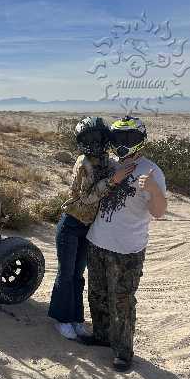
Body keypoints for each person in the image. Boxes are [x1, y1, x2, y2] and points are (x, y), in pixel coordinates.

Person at [81, 116, 167, 372]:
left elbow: (159, 212)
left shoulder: (151, 171)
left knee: (122, 301)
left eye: (129, 138)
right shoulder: (110, 165)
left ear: (140, 140)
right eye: (119, 137)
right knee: (97, 294)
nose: (123, 143)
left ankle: (122, 351)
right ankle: (101, 335)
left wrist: (152, 188)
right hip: (97, 241)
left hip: (127, 249)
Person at [48, 117, 136, 340]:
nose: (95, 143)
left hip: (88, 228)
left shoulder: (106, 160)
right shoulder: (83, 163)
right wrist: (112, 181)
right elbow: (87, 198)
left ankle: (76, 319)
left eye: (98, 137)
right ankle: (62, 319)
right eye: (89, 139)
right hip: (71, 223)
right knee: (66, 274)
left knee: (78, 275)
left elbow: (120, 171)